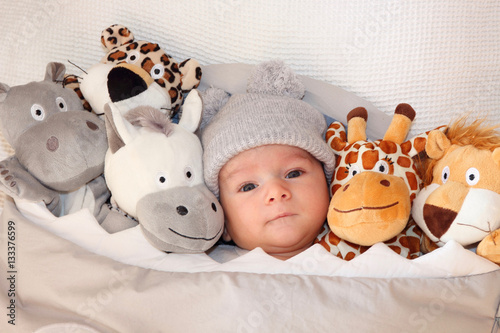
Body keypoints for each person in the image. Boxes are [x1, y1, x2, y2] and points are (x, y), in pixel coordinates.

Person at [201, 61, 336, 261]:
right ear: (223, 222)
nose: (275, 192)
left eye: (294, 173)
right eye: (247, 187)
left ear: (329, 185)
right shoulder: (204, 269)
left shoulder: (368, 259)